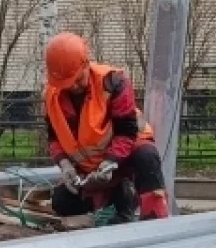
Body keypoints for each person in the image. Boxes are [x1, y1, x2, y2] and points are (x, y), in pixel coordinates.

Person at [43, 31, 169, 222]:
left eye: (78, 79)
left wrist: (110, 161)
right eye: (67, 83)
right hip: (91, 169)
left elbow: (126, 131)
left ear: (86, 64)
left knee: (147, 156)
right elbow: (53, 137)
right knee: (62, 202)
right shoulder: (51, 98)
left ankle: (155, 220)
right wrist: (65, 164)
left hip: (126, 156)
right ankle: (121, 196)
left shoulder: (112, 83)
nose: (74, 86)